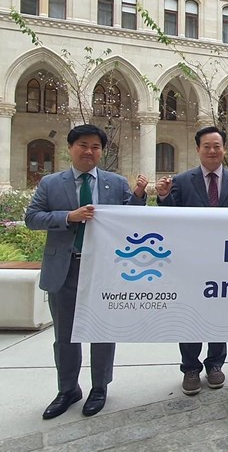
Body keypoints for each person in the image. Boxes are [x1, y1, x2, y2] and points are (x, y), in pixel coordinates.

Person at [25, 124, 148, 419]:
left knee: (102, 331)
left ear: (101, 151)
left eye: (95, 146)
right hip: (65, 269)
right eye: (83, 145)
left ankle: (99, 387)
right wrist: (69, 216)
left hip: (103, 270)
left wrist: (139, 194)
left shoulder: (115, 183)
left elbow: (132, 217)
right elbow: (32, 218)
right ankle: (68, 390)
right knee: (65, 335)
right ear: (70, 148)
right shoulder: (51, 183)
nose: (89, 151)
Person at [156, 126, 228, 396]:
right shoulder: (183, 181)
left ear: (224, 149)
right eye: (207, 146)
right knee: (190, 314)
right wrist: (163, 195)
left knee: (218, 314)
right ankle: (190, 368)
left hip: (225, 262)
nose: (212, 151)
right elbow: (169, 216)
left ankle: (215, 364)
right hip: (191, 263)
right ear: (198, 149)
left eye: (217, 146)